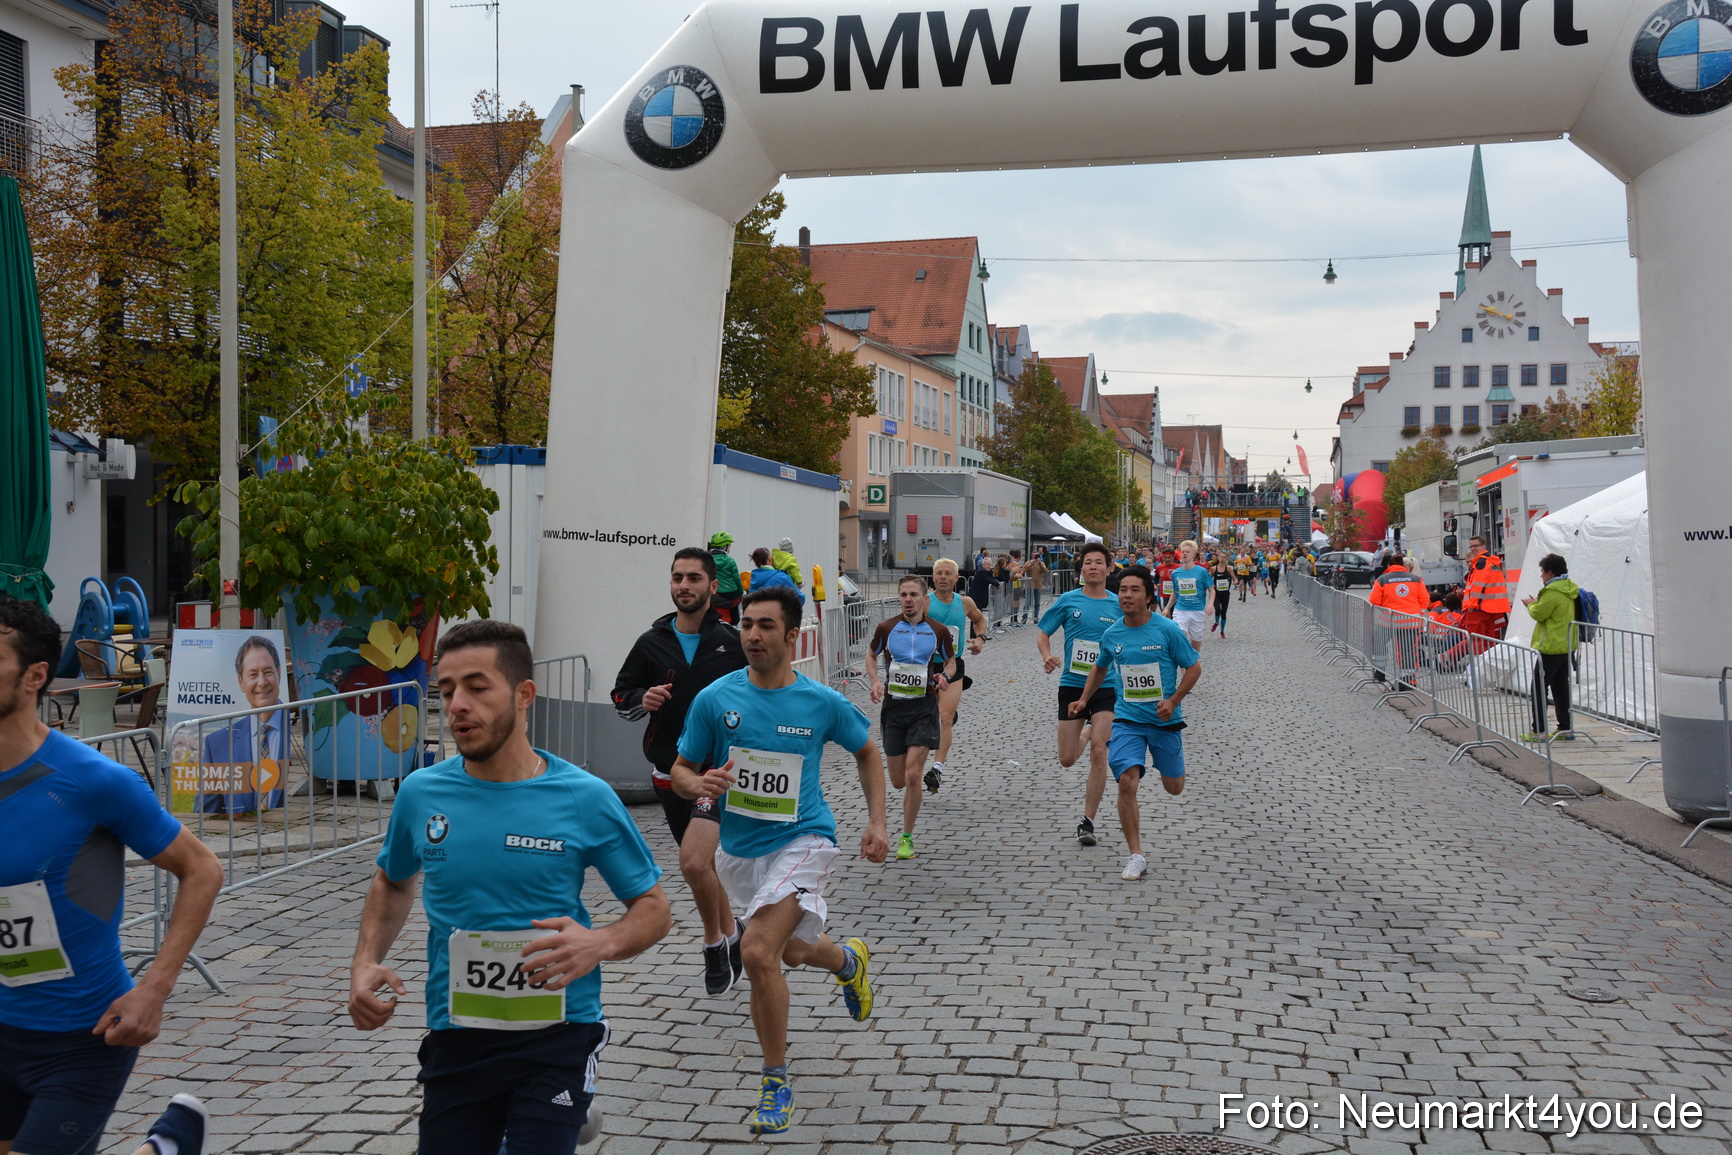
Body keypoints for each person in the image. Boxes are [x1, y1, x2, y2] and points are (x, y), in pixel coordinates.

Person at [350, 620, 672, 1155]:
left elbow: (654, 909)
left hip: (557, 1033)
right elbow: (393, 879)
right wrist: (364, 960)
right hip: (457, 1036)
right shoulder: (422, 793)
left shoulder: (583, 797)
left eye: (477, 688)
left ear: (524, 695)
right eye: (447, 690)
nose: (456, 705)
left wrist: (600, 943)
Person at [0, 598, 224, 1155]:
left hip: (82, 1035)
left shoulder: (92, 781)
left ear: (35, 676)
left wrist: (154, 989)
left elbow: (202, 869)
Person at [671, 586, 887, 1135]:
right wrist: (701, 782)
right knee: (791, 952)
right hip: (741, 854)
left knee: (759, 951)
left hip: (806, 839)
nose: (752, 636)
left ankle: (774, 1080)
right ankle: (846, 962)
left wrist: (878, 822)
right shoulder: (716, 699)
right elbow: (680, 770)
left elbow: (867, 750)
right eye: (746, 625)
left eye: (765, 626)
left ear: (792, 637)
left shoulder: (821, 702)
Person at [610, 547, 749, 996]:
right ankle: (733, 933)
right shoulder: (651, 643)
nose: (684, 586)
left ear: (713, 586)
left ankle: (714, 943)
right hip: (669, 771)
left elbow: (760, 691)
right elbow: (620, 693)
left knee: (695, 862)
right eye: (677, 578)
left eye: (693, 578)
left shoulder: (731, 641)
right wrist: (639, 699)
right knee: (703, 867)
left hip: (717, 773)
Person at [1068, 566, 1202, 881]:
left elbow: (1194, 669)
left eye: (1134, 590)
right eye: (1123, 590)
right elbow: (1099, 668)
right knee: (1127, 782)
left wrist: (1172, 702)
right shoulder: (1112, 633)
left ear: (1149, 596)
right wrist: (1085, 700)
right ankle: (1136, 855)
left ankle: (1172, 764)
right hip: (1126, 720)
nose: (1127, 595)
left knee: (1174, 788)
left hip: (1164, 721)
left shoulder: (1167, 630)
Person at [1035, 542, 1123, 847]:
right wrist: (1047, 654)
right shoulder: (1067, 600)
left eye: (1100, 562)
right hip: (1072, 684)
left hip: (1106, 687)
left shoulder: (1117, 604)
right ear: (1081, 569)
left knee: (1101, 751)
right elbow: (1043, 632)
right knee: (1068, 759)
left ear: (1110, 568)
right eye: (1088, 563)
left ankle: (1088, 822)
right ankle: (1086, 730)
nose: (1094, 567)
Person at [868, 577, 957, 859]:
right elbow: (871, 655)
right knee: (896, 780)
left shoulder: (938, 631)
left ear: (923, 599)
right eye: (904, 595)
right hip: (894, 707)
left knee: (913, 775)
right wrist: (874, 681)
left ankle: (906, 838)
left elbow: (951, 660)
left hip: (923, 707)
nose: (908, 599)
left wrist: (945, 675)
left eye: (914, 595)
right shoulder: (886, 628)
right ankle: (906, 797)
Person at [197, 634, 288, 815]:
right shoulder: (217, 744)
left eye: (268, 672)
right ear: (241, 682)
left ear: (279, 673)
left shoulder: (300, 731)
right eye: (253, 674)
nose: (262, 682)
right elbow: (206, 815)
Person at [925, 560, 989, 790]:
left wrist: (980, 639)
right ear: (933, 578)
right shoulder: (925, 603)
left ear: (956, 578)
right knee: (927, 718)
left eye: (948, 574)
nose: (943, 577)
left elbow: (980, 620)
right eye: (939, 573)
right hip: (926, 667)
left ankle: (937, 769)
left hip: (954, 665)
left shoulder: (965, 602)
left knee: (944, 716)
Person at [1523, 554, 1580, 741]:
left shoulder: (1552, 592)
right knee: (1561, 688)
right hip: (1566, 645)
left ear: (1550, 572)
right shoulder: (1570, 589)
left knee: (1538, 688)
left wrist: (1531, 605)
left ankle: (1538, 730)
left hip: (1550, 647)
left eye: (1542, 572)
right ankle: (1566, 728)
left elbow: (1540, 614)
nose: (1541, 576)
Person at [1367, 553, 1429, 687]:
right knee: (1408, 651)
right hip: (1410, 622)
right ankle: (1407, 680)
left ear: (1389, 565)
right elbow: (1424, 599)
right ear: (1403, 566)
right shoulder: (1416, 579)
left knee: (1379, 642)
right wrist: (1419, 614)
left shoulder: (1382, 579)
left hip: (1388, 621)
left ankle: (1379, 671)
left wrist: (1386, 606)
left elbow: (1374, 600)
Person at [1168, 541, 1214, 653]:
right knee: (1180, 638)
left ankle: (1193, 666)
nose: (1184, 554)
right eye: (1183, 551)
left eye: (1187, 552)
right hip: (1180, 610)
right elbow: (1175, 592)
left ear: (1193, 554)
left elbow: (1212, 590)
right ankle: (1184, 668)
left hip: (1197, 611)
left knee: (1195, 649)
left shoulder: (1201, 572)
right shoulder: (1175, 573)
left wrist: (1210, 604)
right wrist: (1167, 608)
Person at [708, 533, 743, 624]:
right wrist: (741, 592)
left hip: (715, 592)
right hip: (731, 593)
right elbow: (736, 578)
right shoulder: (730, 561)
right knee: (735, 619)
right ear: (725, 547)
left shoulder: (708, 560)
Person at [1020, 549, 1049, 627]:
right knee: (1027, 602)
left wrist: (1040, 563)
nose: (1035, 557)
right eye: (1034, 556)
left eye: (1036, 555)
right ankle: (1024, 617)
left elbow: (1045, 570)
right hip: (1029, 585)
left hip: (1038, 585)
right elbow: (1024, 570)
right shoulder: (1028, 563)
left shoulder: (1041, 563)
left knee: (1037, 602)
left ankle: (1035, 617)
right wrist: (1031, 564)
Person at [1209, 551, 1234, 639]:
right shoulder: (1213, 569)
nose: (1222, 559)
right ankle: (1216, 622)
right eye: (1221, 557)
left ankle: (1222, 631)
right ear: (1218, 558)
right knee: (1218, 610)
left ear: (1226, 559)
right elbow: (1208, 579)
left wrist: (1235, 581)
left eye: (1224, 557)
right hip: (1216, 593)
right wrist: (1211, 584)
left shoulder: (1229, 569)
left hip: (1225, 593)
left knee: (1223, 613)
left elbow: (1235, 578)